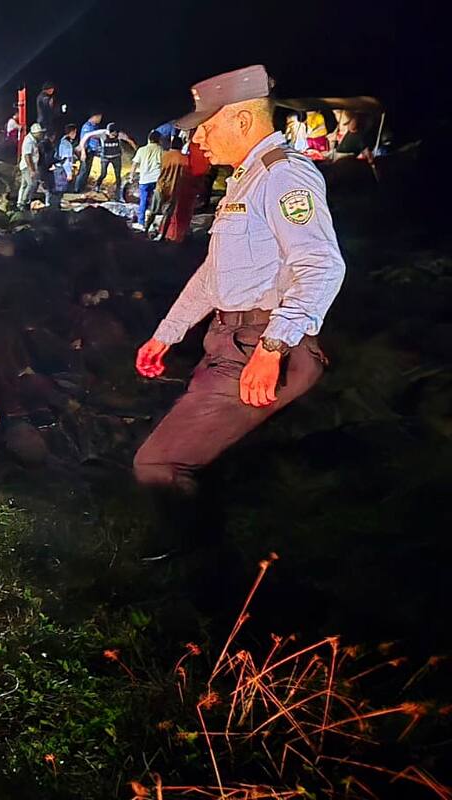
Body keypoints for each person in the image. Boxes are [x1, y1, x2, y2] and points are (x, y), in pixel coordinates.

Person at [132, 65, 345, 555]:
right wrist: (167, 333)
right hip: (234, 338)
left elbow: (322, 266)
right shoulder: (245, 181)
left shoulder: (283, 175)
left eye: (208, 124)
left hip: (259, 341)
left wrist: (272, 348)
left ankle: (196, 573)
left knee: (157, 464)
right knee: (183, 458)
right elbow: (214, 275)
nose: (199, 136)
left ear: (244, 121)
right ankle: (193, 553)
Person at [80, 123, 135, 201]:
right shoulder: (102, 133)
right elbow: (86, 136)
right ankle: (97, 186)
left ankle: (118, 195)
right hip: (105, 157)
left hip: (116, 157)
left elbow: (130, 141)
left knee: (118, 176)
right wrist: (82, 150)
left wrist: (136, 151)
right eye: (112, 134)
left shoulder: (120, 134)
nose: (113, 136)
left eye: (115, 135)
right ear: (108, 132)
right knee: (103, 173)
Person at [130, 131, 164, 229]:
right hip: (156, 179)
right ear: (159, 140)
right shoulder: (160, 150)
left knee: (143, 201)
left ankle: (141, 223)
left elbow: (134, 164)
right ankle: (152, 222)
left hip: (144, 179)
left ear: (149, 139)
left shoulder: (141, 150)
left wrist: (131, 176)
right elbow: (163, 165)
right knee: (156, 201)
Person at [73, 112, 104, 192]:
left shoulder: (95, 126)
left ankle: (82, 188)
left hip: (91, 151)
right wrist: (83, 152)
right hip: (86, 151)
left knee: (87, 171)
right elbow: (83, 141)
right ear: (94, 116)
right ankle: (77, 189)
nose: (100, 119)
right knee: (83, 171)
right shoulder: (87, 127)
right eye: (99, 117)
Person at [17, 122, 44, 210]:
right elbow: (27, 156)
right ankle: (24, 202)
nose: (41, 135)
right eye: (40, 133)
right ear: (35, 133)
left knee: (24, 185)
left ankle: (20, 202)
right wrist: (32, 170)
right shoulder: (29, 141)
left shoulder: (33, 140)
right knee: (31, 184)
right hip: (27, 167)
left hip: (28, 166)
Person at [53, 123, 78, 194]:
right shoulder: (67, 144)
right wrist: (69, 173)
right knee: (62, 192)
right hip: (62, 170)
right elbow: (66, 160)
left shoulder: (61, 141)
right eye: (75, 132)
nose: (75, 134)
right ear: (72, 132)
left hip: (58, 168)